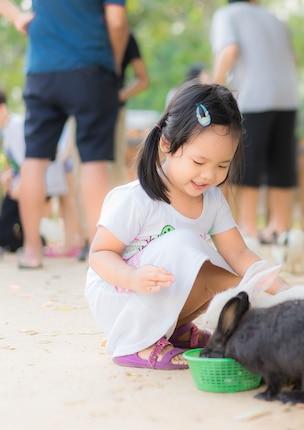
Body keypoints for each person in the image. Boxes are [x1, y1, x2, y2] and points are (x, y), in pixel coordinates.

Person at [86, 82, 289, 370]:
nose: (209, 175)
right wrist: (131, 276)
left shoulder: (213, 200)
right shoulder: (137, 199)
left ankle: (175, 328)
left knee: (226, 268)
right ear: (167, 144)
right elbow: (99, 254)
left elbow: (240, 255)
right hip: (120, 298)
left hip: (155, 295)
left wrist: (285, 295)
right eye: (198, 161)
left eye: (222, 166)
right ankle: (138, 344)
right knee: (184, 245)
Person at [0, 0, 129, 269]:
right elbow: (116, 21)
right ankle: (99, 253)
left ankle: (32, 252)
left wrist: (15, 16)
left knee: (34, 159)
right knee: (93, 161)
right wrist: (114, 65)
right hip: (91, 66)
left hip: (42, 70)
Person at [210, 0, 300, 244]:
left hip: (253, 97)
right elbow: (293, 60)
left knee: (247, 165)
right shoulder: (276, 20)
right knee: (282, 164)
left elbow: (229, 50)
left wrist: (213, 88)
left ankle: (247, 229)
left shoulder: (227, 14)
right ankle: (280, 230)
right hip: (288, 97)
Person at [0, 89, 85, 256]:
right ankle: (26, 241)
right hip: (29, 179)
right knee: (13, 211)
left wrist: (21, 182)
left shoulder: (17, 126)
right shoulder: (6, 131)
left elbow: (32, 158)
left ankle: (26, 243)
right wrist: (11, 176)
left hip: (42, 177)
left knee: (10, 207)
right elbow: (17, 161)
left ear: (2, 109)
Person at [112, 32, 150, 187]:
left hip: (113, 113)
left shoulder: (125, 36)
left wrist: (118, 96)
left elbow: (143, 79)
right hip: (82, 109)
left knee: (115, 166)